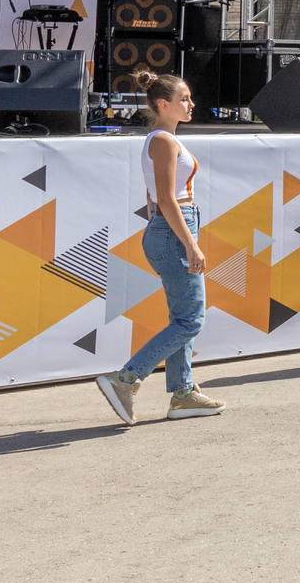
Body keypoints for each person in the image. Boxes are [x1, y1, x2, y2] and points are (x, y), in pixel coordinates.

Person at [95, 71, 224, 424]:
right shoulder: (163, 141)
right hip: (174, 230)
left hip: (168, 229)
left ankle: (183, 394)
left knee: (182, 318)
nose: (191, 104)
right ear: (164, 104)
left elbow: (154, 196)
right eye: (184, 99)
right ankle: (125, 379)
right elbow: (166, 199)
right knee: (190, 320)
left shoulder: (161, 139)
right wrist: (191, 244)